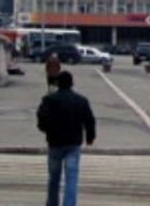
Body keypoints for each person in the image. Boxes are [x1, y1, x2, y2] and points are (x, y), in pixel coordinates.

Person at [37, 71, 96, 206]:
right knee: (72, 177)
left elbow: (41, 118)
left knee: (54, 177)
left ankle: (52, 203)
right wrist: (90, 137)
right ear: (72, 83)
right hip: (73, 143)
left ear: (58, 83)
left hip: (55, 143)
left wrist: (47, 130)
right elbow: (89, 120)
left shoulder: (49, 100)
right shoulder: (81, 100)